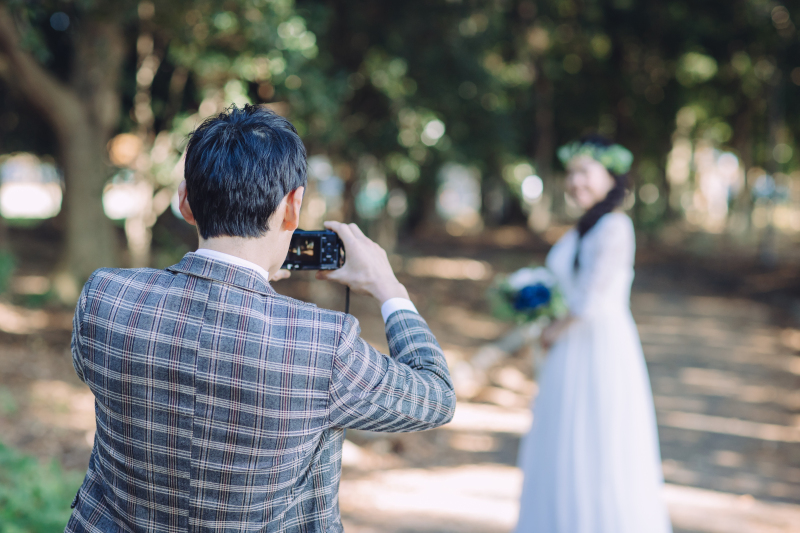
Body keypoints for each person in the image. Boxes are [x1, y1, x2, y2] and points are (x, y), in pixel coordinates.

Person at [65, 104, 456, 533]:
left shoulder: (105, 299)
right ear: (293, 206)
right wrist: (389, 288)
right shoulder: (324, 345)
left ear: (185, 201)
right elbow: (435, 397)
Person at [515, 136, 672, 532]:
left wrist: (552, 330)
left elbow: (590, 300)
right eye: (570, 173)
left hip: (599, 348)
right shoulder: (581, 230)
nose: (575, 181)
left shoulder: (615, 226)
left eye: (584, 172)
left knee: (598, 444)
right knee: (562, 442)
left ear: (610, 177)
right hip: (569, 349)